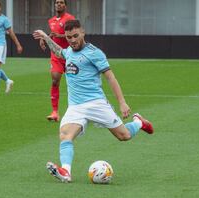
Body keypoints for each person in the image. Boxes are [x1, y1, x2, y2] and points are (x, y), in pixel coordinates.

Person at [33, 20, 154, 183]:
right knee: (65, 135)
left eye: (75, 36)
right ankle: (66, 172)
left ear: (83, 32)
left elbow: (110, 77)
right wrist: (46, 38)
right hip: (76, 106)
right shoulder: (69, 51)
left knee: (123, 136)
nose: (73, 40)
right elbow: (60, 52)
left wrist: (122, 102)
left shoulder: (95, 53)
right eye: (69, 37)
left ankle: (139, 122)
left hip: (96, 104)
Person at [40, 0, 74, 122]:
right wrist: (45, 39)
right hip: (56, 55)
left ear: (65, 5)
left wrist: (60, 36)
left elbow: (75, 34)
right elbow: (53, 34)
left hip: (70, 55)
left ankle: (76, 110)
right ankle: (55, 112)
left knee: (74, 83)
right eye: (57, 2)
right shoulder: (51, 20)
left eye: (61, 2)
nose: (58, 4)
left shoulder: (70, 19)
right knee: (55, 80)